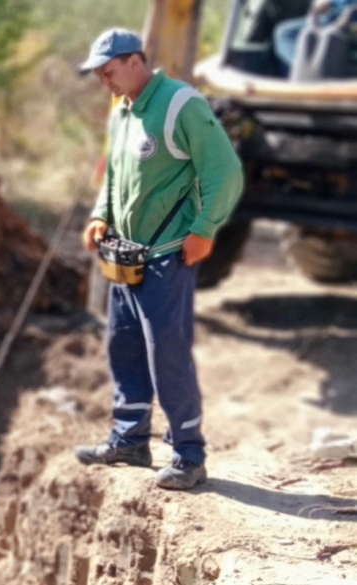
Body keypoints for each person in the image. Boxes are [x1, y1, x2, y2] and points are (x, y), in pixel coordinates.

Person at [76, 29, 244, 490]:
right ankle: (129, 438)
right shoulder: (123, 110)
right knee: (123, 343)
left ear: (134, 61)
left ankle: (188, 454)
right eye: (99, 76)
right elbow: (113, 174)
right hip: (125, 255)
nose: (104, 82)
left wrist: (204, 230)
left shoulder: (180, 105)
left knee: (166, 353)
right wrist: (100, 215)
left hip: (168, 254)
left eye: (108, 72)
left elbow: (224, 172)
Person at [274, 0, 357, 74]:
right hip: (335, 11)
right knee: (285, 34)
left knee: (286, 35)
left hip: (348, 16)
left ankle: (311, 75)